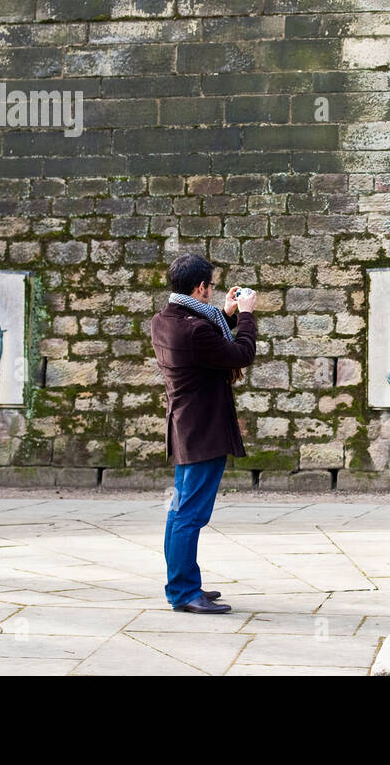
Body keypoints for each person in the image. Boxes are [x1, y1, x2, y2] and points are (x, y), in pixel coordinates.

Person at [150, 253, 257, 615]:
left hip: (186, 426)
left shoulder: (164, 320)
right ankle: (182, 592)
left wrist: (225, 313)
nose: (212, 291)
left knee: (180, 510)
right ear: (200, 287)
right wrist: (246, 315)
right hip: (204, 429)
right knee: (190, 514)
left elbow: (208, 347)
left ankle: (183, 585)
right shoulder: (195, 329)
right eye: (210, 286)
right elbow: (240, 354)